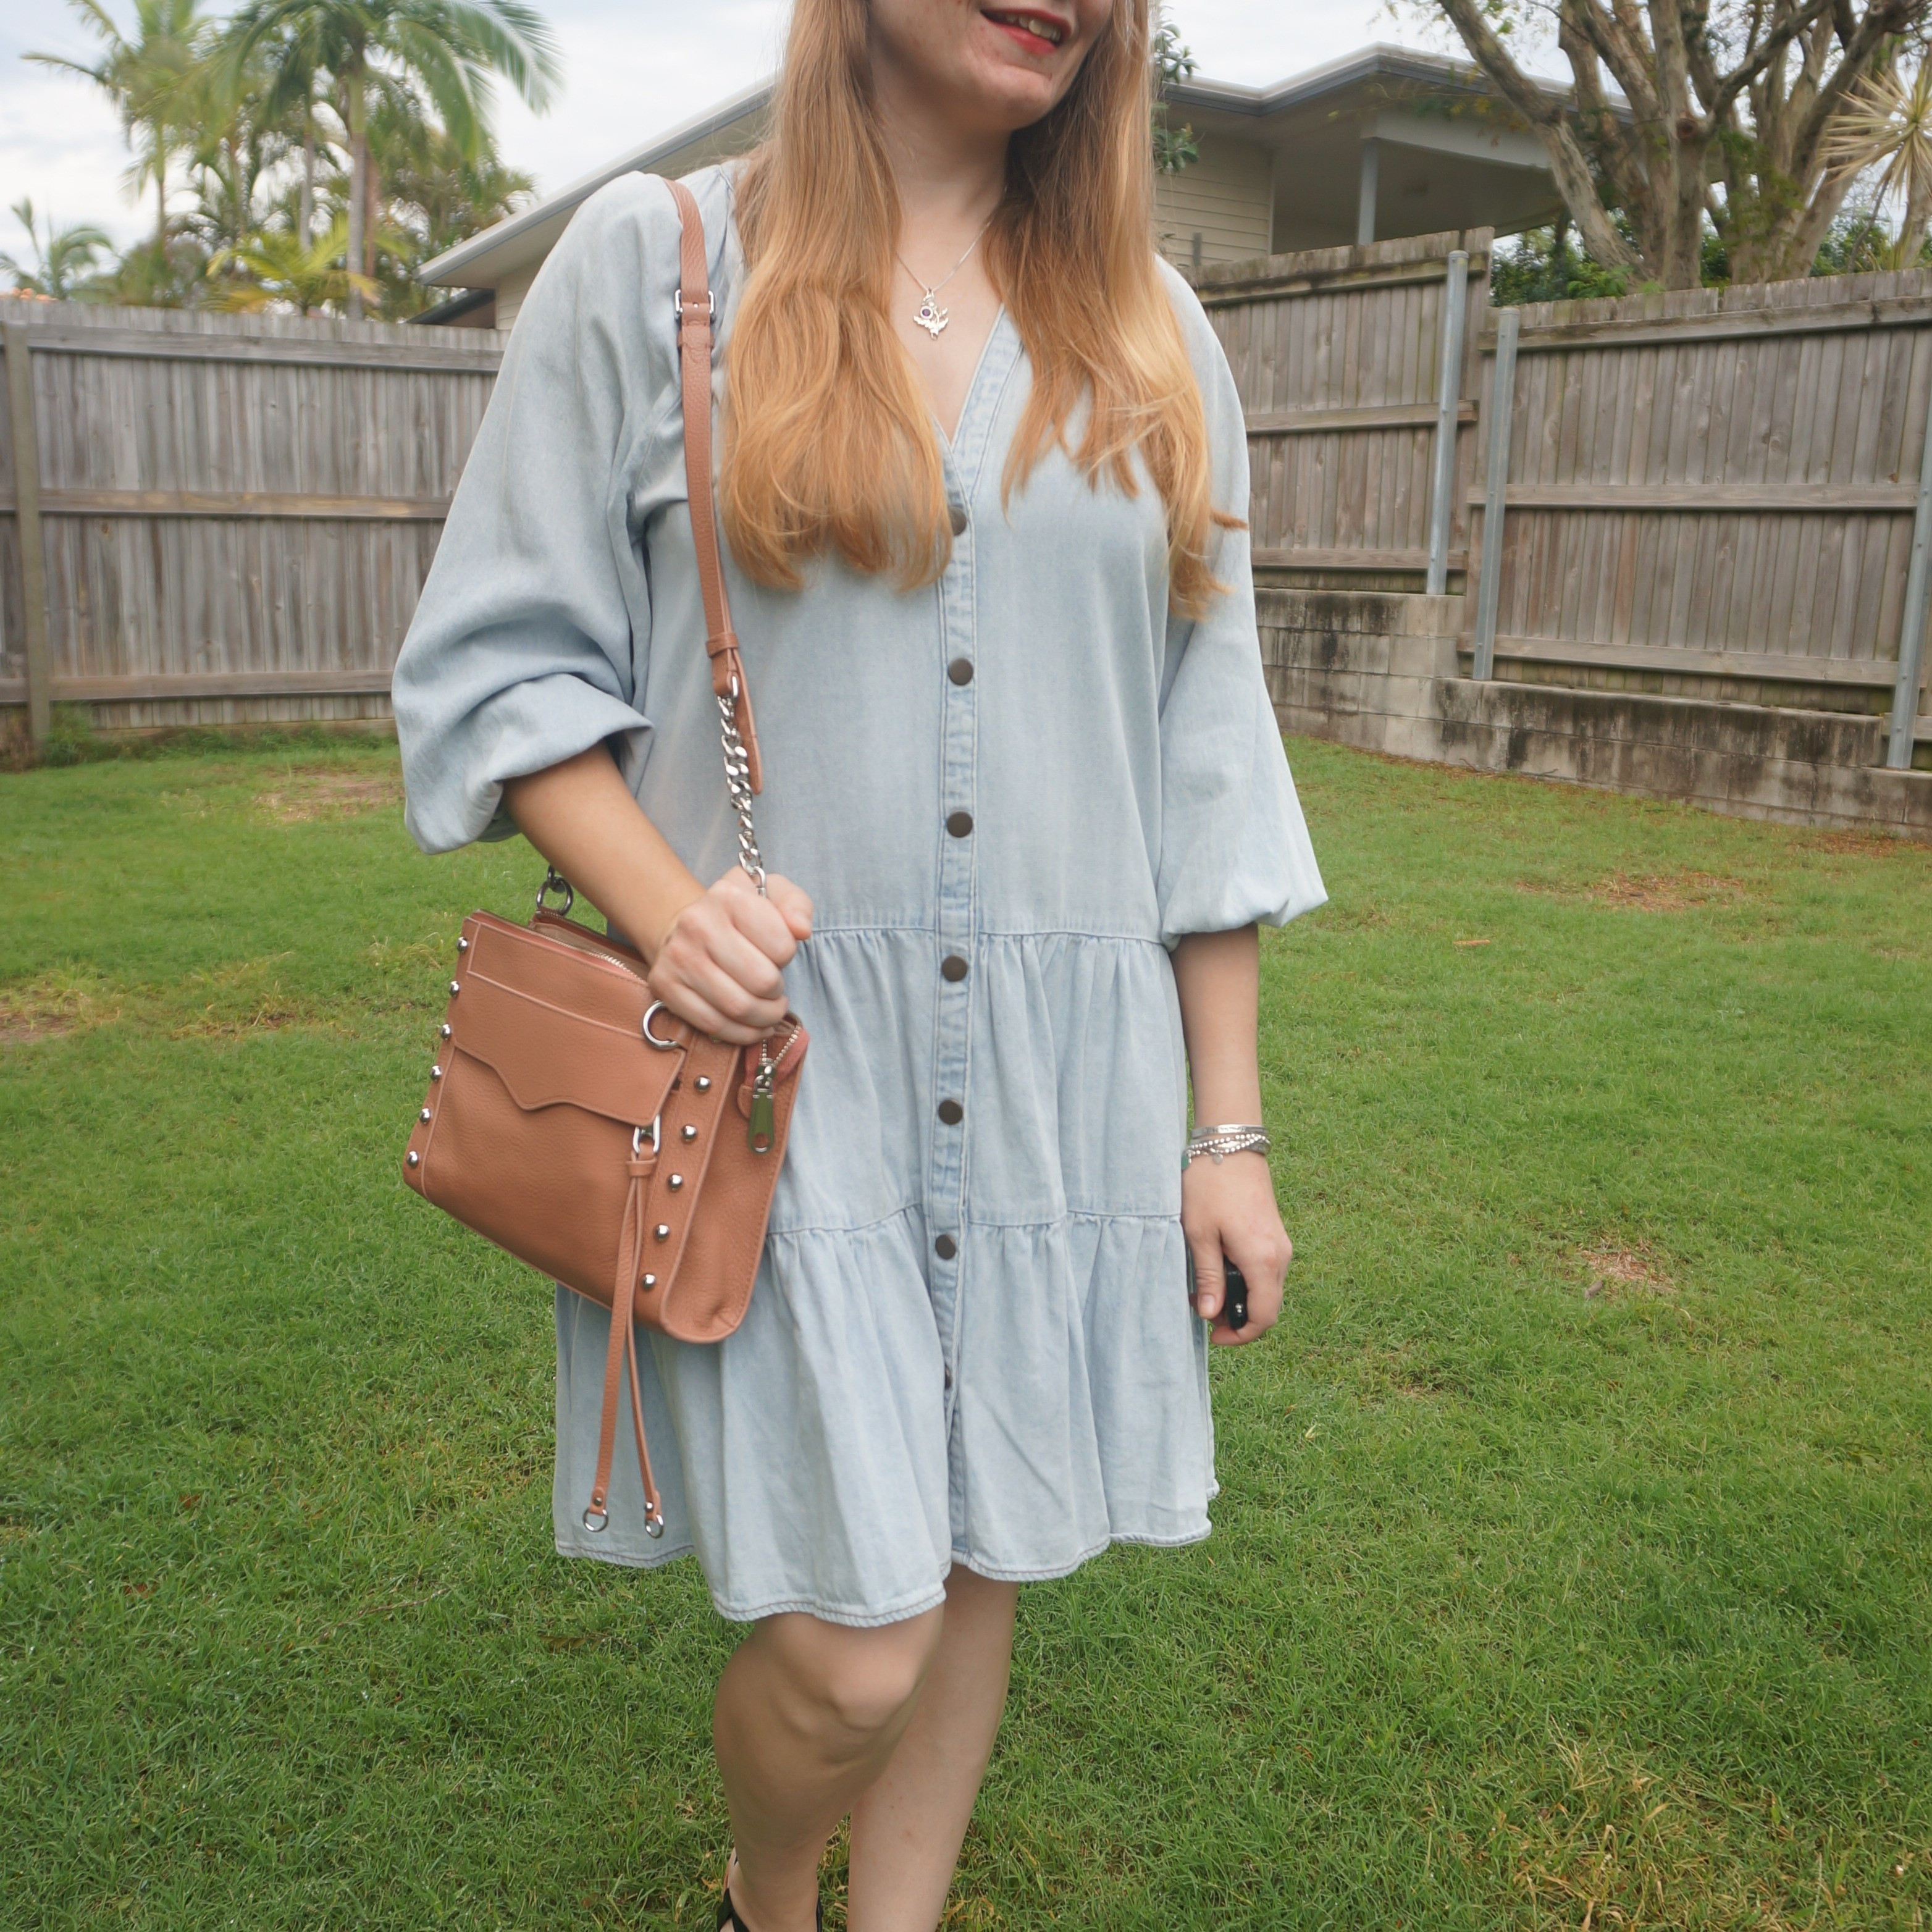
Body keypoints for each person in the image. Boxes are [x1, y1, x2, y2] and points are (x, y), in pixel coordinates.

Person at [392, 1, 1325, 1924]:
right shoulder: (654, 270)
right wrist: (672, 904)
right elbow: (494, 665)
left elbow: (1207, 750)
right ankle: (763, 1896)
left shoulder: (1157, 329)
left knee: (980, 1548)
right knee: (861, 1635)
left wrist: (1226, 1133)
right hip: (783, 1080)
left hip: (1074, 1076)